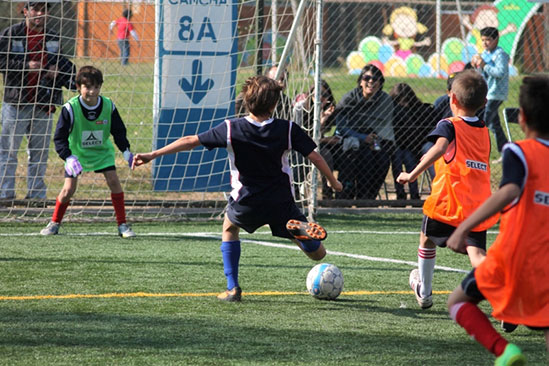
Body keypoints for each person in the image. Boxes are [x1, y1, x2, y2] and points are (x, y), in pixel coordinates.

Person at [132, 75, 343, 301]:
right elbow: (315, 157)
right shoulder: (287, 129)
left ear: (246, 101)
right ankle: (304, 236)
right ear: (274, 105)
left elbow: (190, 140)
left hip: (247, 201)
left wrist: (152, 155)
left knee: (229, 228)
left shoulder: (232, 129)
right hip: (280, 201)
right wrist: (333, 181)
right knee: (318, 255)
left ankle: (233, 288)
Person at [446, 75, 549, 365]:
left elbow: (509, 190)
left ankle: (505, 351)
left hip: (511, 257)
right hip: (545, 262)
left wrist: (464, 227)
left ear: (522, 118)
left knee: (457, 302)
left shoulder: (518, 151)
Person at [396, 70, 499, 309]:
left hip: (447, 203)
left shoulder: (448, 125)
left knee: (426, 240)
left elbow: (440, 148)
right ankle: (503, 298)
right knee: (477, 255)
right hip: (476, 206)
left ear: (452, 99)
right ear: (484, 103)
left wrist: (413, 173)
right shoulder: (484, 131)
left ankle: (425, 292)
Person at [40, 66, 136, 238]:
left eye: (96, 87)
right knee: (68, 189)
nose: (92, 91)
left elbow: (119, 131)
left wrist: (126, 151)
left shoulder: (108, 105)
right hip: (77, 154)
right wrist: (67, 156)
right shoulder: (70, 108)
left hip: (102, 152)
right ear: (78, 87)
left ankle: (122, 224)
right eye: (87, 87)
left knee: (114, 181)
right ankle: (54, 223)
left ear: (100, 87)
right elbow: (59, 137)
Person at [0, 0, 76, 205]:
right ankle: (5, 194)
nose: (40, 13)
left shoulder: (52, 36)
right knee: (8, 151)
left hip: (44, 103)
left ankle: (36, 195)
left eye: (44, 10)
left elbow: (61, 63)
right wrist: (26, 66)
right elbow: (2, 61)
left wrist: (58, 73)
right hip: (16, 103)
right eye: (36, 9)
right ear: (25, 11)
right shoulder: (11, 34)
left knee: (39, 154)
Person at [335, 64, 394, 200]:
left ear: (380, 83)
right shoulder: (350, 98)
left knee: (383, 160)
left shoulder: (384, 100)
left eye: (376, 78)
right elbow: (341, 127)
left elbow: (385, 126)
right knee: (364, 156)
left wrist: (375, 139)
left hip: (377, 139)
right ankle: (348, 196)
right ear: (361, 81)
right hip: (351, 138)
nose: (371, 81)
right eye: (367, 77)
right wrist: (362, 137)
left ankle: (368, 197)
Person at [389, 83, 438, 201]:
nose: (403, 104)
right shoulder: (392, 111)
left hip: (417, 147)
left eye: (406, 101)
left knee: (415, 156)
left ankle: (422, 193)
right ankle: (402, 195)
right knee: (401, 157)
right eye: (398, 101)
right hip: (400, 147)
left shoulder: (420, 110)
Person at [293, 79, 340, 199]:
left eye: (324, 95)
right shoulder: (301, 108)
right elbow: (303, 135)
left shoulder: (330, 110)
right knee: (307, 157)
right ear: (310, 94)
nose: (320, 98)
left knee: (326, 155)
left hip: (318, 143)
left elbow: (318, 135)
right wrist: (325, 139)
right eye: (316, 94)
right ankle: (297, 190)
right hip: (301, 144)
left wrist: (323, 119)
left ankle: (327, 192)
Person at [471, 27, 509, 162]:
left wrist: (485, 65)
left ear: (496, 39)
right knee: (494, 125)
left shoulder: (500, 55)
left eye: (488, 40)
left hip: (496, 93)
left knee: (484, 121)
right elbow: (482, 73)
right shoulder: (485, 54)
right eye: (483, 40)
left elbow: (500, 72)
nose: (485, 43)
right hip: (488, 93)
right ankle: (506, 151)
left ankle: (475, 152)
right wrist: (477, 64)